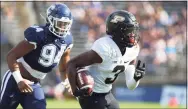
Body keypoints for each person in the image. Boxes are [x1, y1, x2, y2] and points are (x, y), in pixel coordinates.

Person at [67, 10, 146, 109]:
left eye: (133, 31)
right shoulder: (105, 47)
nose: (132, 35)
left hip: (107, 93)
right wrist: (75, 91)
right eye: (128, 31)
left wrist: (136, 78)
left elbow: (131, 86)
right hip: (90, 94)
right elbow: (72, 64)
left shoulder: (132, 50)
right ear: (118, 31)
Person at [0, 3, 73, 109]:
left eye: (66, 24)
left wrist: (67, 82)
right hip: (14, 80)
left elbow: (63, 68)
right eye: (60, 23)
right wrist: (19, 80)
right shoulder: (38, 35)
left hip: (34, 84)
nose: (63, 28)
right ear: (51, 20)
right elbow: (11, 56)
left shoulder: (67, 41)